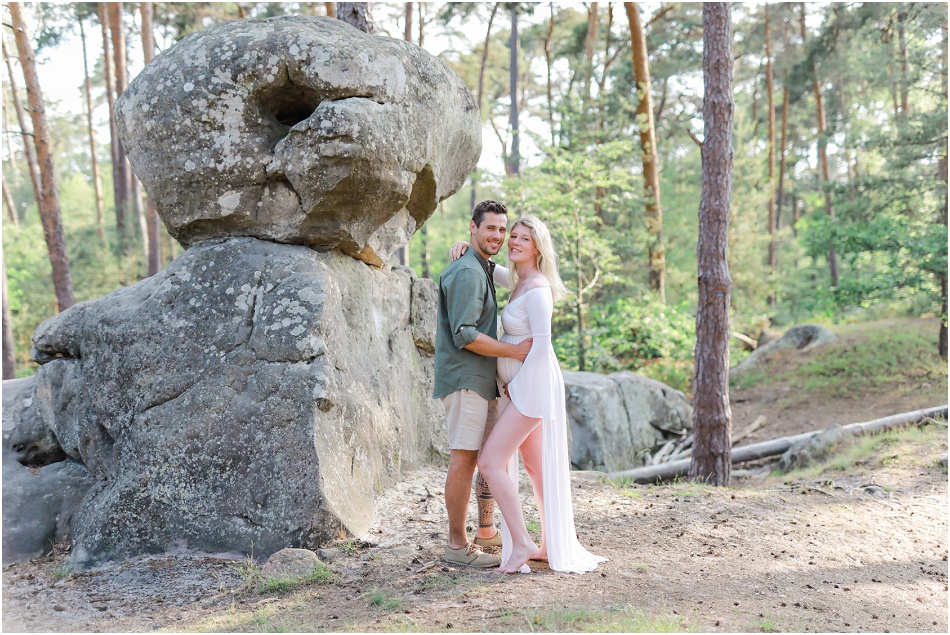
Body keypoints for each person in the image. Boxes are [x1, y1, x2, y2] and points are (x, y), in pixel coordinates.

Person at [450, 214, 607, 574]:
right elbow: (488, 268)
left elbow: (541, 346)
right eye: (513, 236)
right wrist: (462, 246)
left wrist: (515, 388)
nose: (515, 242)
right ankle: (550, 544)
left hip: (530, 390)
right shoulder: (518, 279)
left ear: (538, 246)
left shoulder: (537, 289)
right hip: (521, 389)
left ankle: (520, 542)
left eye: (524, 238)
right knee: (536, 468)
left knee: (490, 462)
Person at [434, 200, 533, 568]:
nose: (497, 235)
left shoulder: (482, 267)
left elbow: (522, 275)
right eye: (489, 227)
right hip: (465, 380)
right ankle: (458, 547)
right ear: (472, 228)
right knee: (464, 459)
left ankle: (485, 531)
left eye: (501, 229)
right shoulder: (468, 272)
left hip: (482, 380)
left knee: (488, 457)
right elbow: (465, 335)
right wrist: (514, 352)